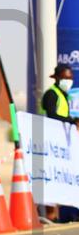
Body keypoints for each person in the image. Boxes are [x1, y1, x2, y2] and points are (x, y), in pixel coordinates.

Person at [41, 64, 79, 223]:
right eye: (65, 78)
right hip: (49, 144)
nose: (68, 81)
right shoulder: (51, 94)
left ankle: (58, 215)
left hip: (61, 145)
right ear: (56, 78)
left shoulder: (64, 95)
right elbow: (51, 115)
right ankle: (50, 216)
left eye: (70, 78)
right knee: (50, 178)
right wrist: (72, 121)